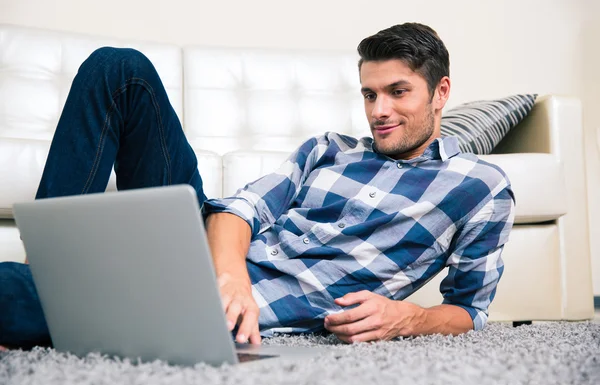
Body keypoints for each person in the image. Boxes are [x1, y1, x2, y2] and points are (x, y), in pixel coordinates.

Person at [0, 23, 515, 350]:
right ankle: (56, 267)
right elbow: (236, 209)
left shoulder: (479, 187)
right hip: (205, 252)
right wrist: (231, 277)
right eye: (369, 94)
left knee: (10, 292)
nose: (379, 111)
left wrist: (407, 317)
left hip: (205, 303)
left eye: (398, 92)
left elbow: (468, 311)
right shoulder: (330, 149)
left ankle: (54, 288)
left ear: (441, 92)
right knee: (119, 67)